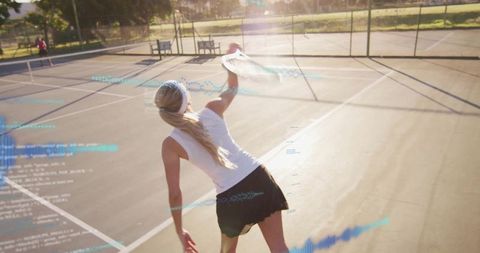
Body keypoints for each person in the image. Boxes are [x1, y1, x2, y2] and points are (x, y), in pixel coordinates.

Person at [154, 43, 289, 253]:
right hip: (258, 178)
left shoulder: (170, 146)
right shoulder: (212, 108)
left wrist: (180, 231)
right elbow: (233, 87)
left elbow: (174, 195)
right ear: (187, 99)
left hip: (230, 198)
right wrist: (230, 61)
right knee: (279, 248)